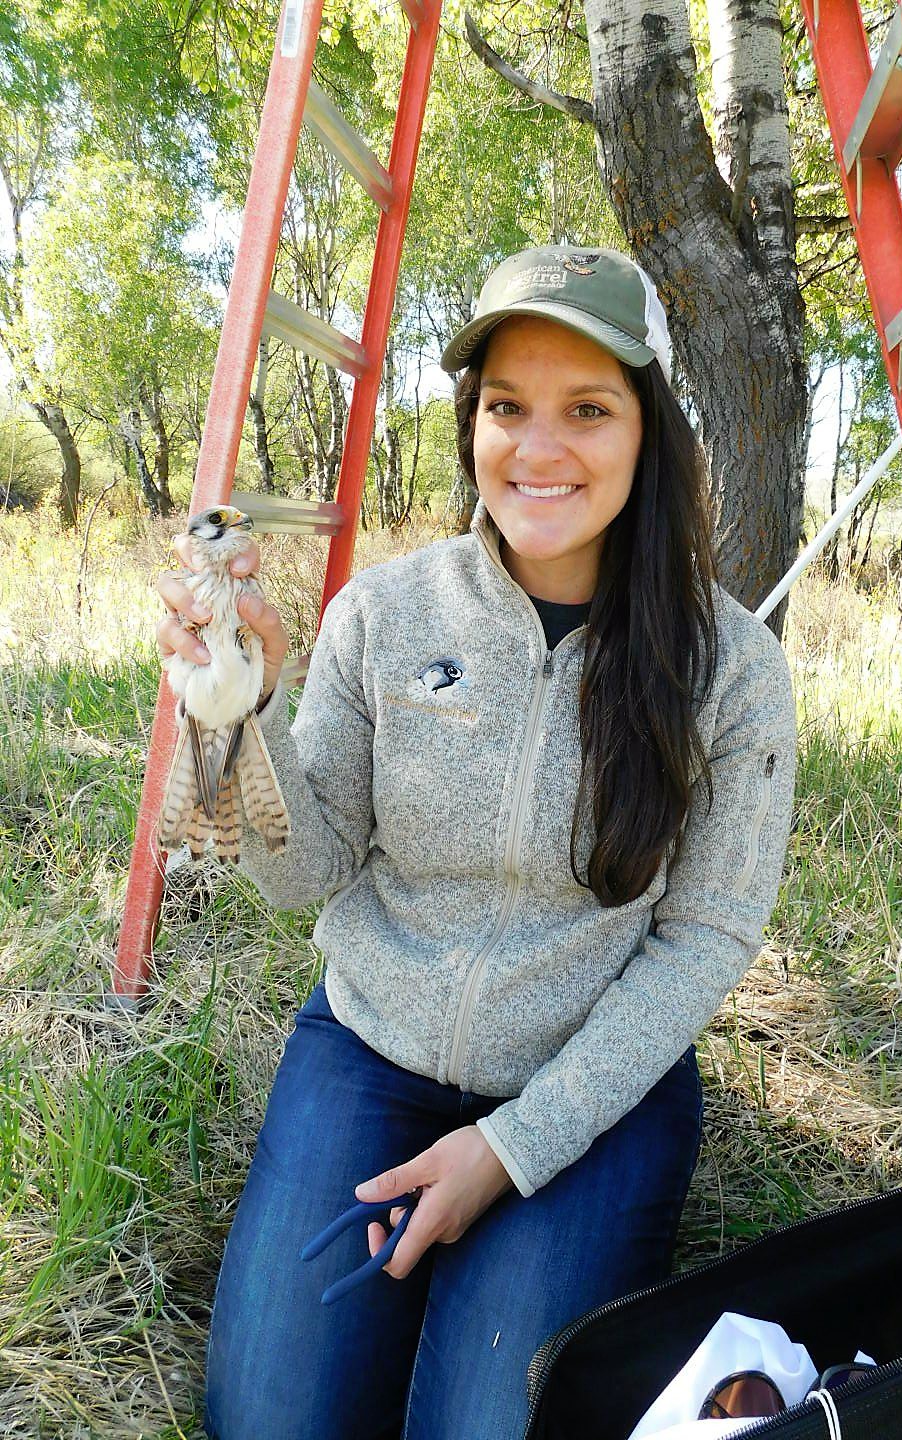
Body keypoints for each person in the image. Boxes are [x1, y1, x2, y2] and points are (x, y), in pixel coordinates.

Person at [155, 245, 797, 1440]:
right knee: (271, 1422)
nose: (537, 450)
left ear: (648, 430)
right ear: (470, 424)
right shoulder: (384, 615)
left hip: (587, 1087)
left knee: (485, 1430)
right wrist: (235, 716)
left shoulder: (734, 671)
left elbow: (704, 941)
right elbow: (307, 873)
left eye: (587, 410)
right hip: (372, 1049)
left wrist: (505, 1152)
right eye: (507, 407)